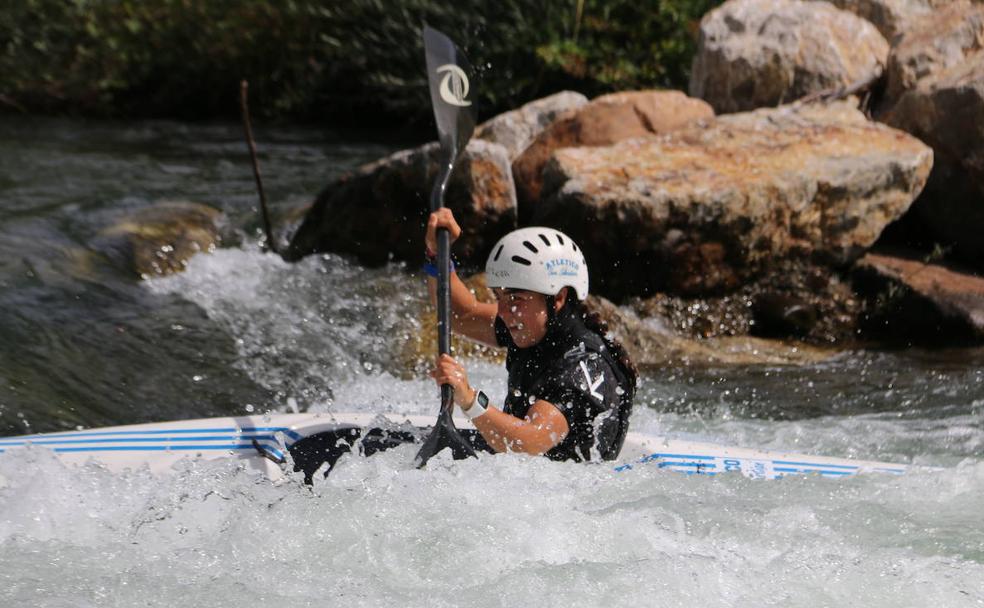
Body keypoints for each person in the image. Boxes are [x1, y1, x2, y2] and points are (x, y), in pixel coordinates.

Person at [424, 209, 637, 462]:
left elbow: (531, 441)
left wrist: (470, 400)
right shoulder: (531, 323)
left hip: (562, 495)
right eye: (499, 297)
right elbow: (461, 316)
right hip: (524, 478)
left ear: (558, 297)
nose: (503, 311)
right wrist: (438, 254)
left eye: (516, 298)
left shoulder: (584, 365)